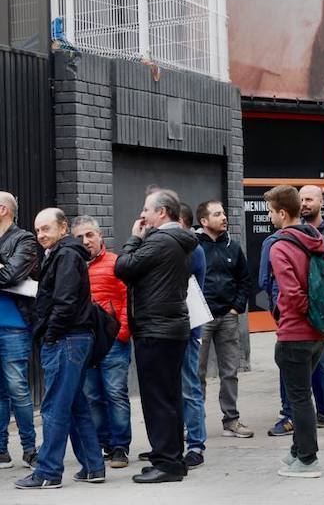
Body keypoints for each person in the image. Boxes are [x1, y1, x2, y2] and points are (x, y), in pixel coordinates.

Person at [16, 208, 103, 490]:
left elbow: (64, 302)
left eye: (46, 229)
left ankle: (47, 473)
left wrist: (50, 335)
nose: (41, 235)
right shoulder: (60, 254)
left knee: (54, 407)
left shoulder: (65, 255)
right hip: (71, 338)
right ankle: (93, 467)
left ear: (63, 228)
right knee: (76, 405)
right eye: (38, 230)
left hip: (66, 339)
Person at [115, 189, 198, 483]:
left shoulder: (161, 240)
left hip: (157, 328)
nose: (142, 215)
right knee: (170, 396)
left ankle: (166, 462)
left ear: (162, 212)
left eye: (146, 210)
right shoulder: (180, 241)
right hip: (170, 328)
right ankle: (172, 458)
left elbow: (123, 268)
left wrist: (133, 239)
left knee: (157, 399)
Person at [264, 185, 324, 478]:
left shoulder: (280, 246)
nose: (270, 217)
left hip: (294, 334)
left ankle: (308, 460)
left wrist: (292, 313)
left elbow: (289, 292)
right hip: (320, 335)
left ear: (283, 213)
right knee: (304, 395)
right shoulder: (320, 241)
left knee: (299, 398)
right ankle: (297, 451)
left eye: (271, 212)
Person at [72, 216, 131, 469]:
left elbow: (129, 297)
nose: (85, 241)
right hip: (85, 342)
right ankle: (102, 443)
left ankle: (120, 446)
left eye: (89, 235)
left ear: (100, 236)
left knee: (115, 393)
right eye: (79, 237)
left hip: (114, 341)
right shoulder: (72, 265)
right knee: (92, 396)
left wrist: (123, 331)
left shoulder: (116, 263)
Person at [195, 200, 254, 439]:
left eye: (223, 213)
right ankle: (195, 422)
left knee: (229, 371)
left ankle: (231, 420)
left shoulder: (233, 246)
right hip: (201, 319)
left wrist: (236, 308)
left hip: (227, 317)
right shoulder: (193, 247)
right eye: (217, 214)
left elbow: (245, 280)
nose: (223, 217)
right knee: (196, 372)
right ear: (204, 221)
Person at [0, 191, 38, 470]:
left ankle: (29, 448)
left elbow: (10, 275)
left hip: (14, 326)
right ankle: (1, 450)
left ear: (3, 209)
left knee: (17, 388)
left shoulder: (23, 239)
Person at [176, 204, 207, 469]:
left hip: (187, 329)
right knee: (173, 389)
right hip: (169, 329)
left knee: (189, 388)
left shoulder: (192, 250)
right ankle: (173, 443)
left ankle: (196, 444)